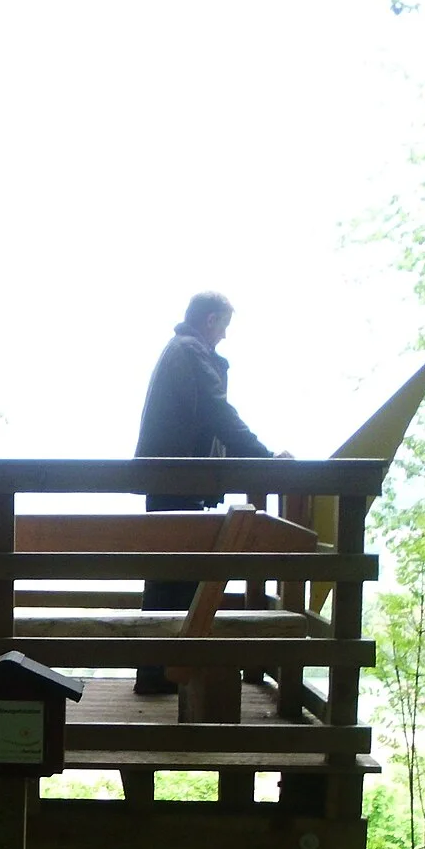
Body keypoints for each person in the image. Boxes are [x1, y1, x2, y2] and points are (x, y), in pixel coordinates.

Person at [133, 291, 276, 693]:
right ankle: (164, 679)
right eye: (225, 326)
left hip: (169, 484)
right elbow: (218, 414)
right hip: (180, 486)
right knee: (176, 584)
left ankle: (158, 678)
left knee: (168, 582)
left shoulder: (178, 351)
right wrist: (265, 458)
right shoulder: (191, 352)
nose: (225, 337)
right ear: (211, 320)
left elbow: (206, 423)